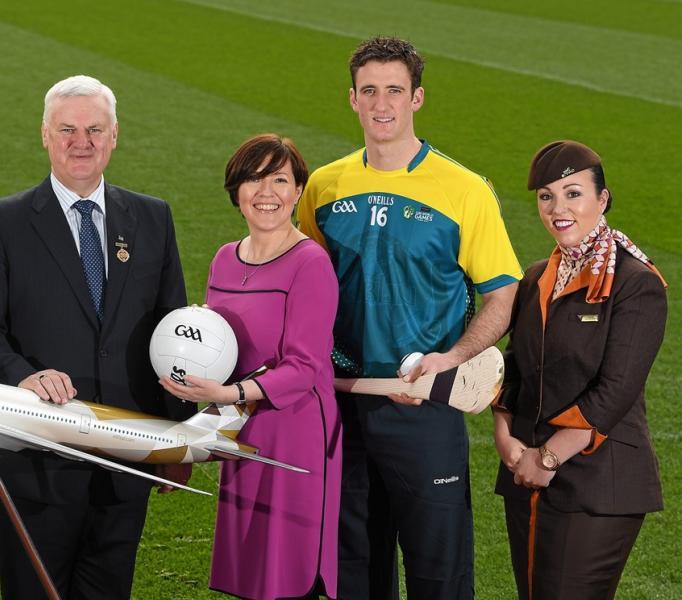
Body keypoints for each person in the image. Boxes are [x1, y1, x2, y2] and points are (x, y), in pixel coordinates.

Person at [296, 37, 522, 599]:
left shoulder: (465, 190)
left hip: (423, 408)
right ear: (352, 99)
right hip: (341, 405)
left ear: (416, 98)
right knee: (352, 570)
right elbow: (300, 290)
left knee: (437, 574)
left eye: (394, 90)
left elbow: (502, 293)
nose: (381, 104)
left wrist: (454, 358)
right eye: (368, 90)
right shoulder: (323, 187)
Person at [0, 74, 191, 600]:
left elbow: (173, 330)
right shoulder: (1, 221)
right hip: (36, 456)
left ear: (114, 135)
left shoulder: (153, 218)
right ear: (44, 134)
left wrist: (175, 435)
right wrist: (24, 377)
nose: (80, 142)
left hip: (125, 457)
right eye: (67, 130)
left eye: (94, 130)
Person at [160, 134, 341, 600]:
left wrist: (229, 395)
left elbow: (304, 368)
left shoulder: (310, 263)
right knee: (250, 573)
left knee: (287, 575)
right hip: (242, 431)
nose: (267, 192)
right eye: (254, 179)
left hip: (294, 433)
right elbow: (223, 352)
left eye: (280, 179)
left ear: (298, 190)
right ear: (236, 191)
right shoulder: (224, 259)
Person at [493, 140, 667, 600]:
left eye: (573, 193)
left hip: (595, 482)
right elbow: (515, 369)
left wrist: (548, 456)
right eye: (547, 196)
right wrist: (506, 439)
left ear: (602, 199)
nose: (558, 208)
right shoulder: (537, 277)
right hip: (528, 474)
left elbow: (615, 390)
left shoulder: (637, 284)